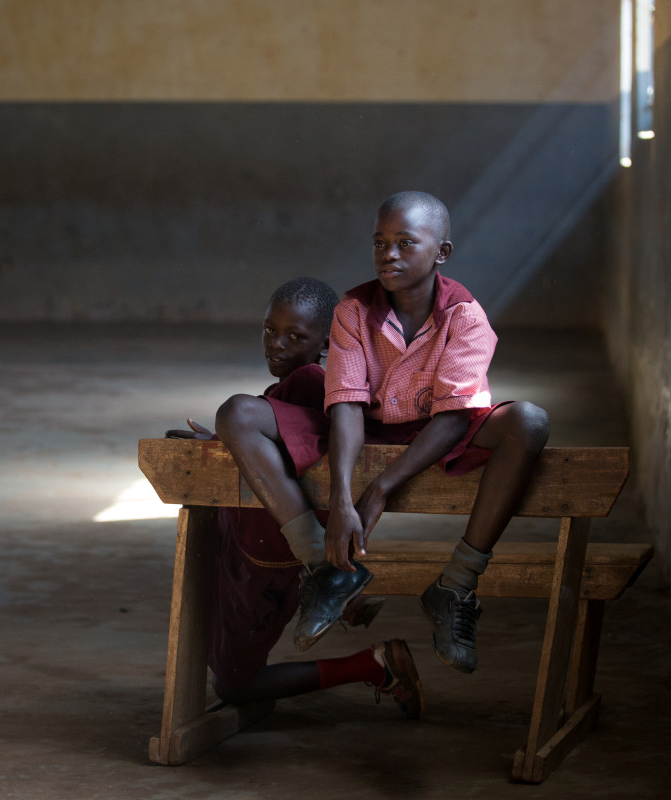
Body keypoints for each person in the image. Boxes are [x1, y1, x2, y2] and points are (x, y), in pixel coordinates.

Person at [217, 192, 550, 675]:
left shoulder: (466, 318)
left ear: (442, 253)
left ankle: (455, 586)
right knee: (237, 414)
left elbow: (455, 417)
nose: (388, 254)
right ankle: (324, 570)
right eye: (380, 242)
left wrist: (382, 488)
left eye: (404, 242)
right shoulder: (353, 310)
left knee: (530, 421)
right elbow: (347, 404)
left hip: (439, 432)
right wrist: (344, 500)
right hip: (364, 427)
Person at [169, 277, 422, 716]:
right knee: (231, 670)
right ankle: (356, 626)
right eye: (270, 330)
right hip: (258, 556)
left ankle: (373, 663)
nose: (277, 344)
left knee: (235, 683)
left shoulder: (313, 383)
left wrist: (233, 429)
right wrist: (222, 445)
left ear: (326, 343)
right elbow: (283, 453)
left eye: (296, 336)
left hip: (266, 564)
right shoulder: (296, 391)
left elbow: (298, 451)